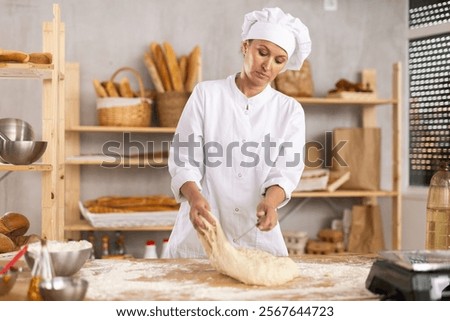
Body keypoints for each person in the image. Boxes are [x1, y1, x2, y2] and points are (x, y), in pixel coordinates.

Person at [166, 7, 311, 258]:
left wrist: (271, 202)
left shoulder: (289, 110)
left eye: (278, 60)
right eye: (262, 52)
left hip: (257, 238)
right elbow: (184, 158)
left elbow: (285, 172)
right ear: (245, 46)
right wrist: (195, 197)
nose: (267, 65)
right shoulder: (206, 94)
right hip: (199, 237)